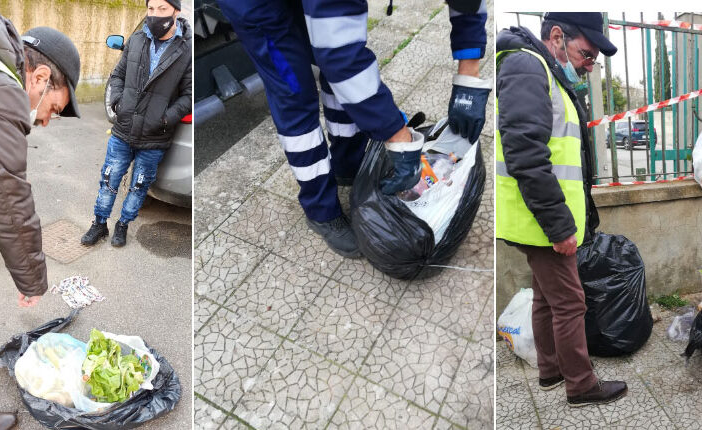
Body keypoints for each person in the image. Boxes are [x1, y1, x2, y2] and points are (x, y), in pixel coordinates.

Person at [216, 0, 490, 258]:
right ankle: (320, 209)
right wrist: (399, 138)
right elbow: (342, 57)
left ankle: (348, 166)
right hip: (257, 6)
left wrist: (470, 74)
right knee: (294, 93)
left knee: (336, 71)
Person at [495, 12, 628, 406]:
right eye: (587, 54)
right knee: (570, 302)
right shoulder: (527, 67)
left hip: (533, 217)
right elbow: (526, 155)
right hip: (541, 221)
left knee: (544, 297)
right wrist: (559, 228)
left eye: (593, 61)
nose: (589, 65)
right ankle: (581, 385)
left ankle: (550, 371)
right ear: (557, 36)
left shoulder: (543, 73)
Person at [0, 4, 82, 428]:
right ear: (38, 79)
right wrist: (33, 282)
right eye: (53, 108)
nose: (47, 120)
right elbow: (6, 194)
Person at [81, 0, 192, 247]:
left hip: (155, 137)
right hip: (123, 131)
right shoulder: (137, 39)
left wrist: (166, 118)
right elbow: (118, 75)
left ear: (176, 11)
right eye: (150, 9)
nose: (154, 15)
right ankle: (99, 224)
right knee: (109, 180)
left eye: (161, 9)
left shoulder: (186, 49)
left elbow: (189, 94)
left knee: (139, 186)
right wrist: (119, 103)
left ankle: (123, 225)